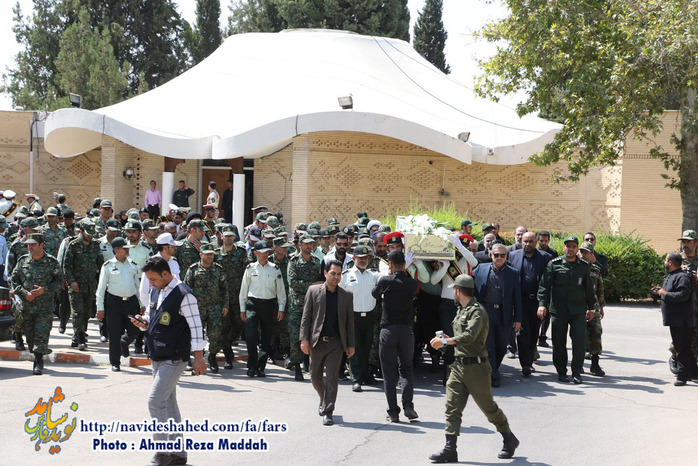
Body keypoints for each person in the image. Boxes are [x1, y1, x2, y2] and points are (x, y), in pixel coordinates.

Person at [428, 274, 519, 463]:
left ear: (458, 291)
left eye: (454, 290)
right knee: (452, 407)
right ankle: (450, 449)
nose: (453, 293)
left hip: (476, 368)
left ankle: (509, 438)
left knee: (489, 409)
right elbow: (460, 336)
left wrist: (446, 341)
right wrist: (448, 339)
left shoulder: (478, 311)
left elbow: (470, 336)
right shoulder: (461, 310)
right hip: (458, 367)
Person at [130, 256, 206, 466]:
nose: (151, 283)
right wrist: (143, 323)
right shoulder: (157, 290)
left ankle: (162, 452)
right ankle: (178, 454)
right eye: (149, 280)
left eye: (153, 279)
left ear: (165, 274)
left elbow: (196, 327)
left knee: (155, 401)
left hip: (174, 357)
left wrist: (199, 357)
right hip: (157, 354)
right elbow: (153, 318)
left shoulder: (184, 294)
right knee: (168, 404)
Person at [300, 259, 356, 426]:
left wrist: (351, 344)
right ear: (325, 273)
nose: (335, 277)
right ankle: (324, 398)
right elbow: (306, 317)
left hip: (336, 343)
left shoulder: (346, 295)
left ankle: (328, 411)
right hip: (317, 342)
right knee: (315, 376)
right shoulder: (313, 291)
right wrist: (304, 339)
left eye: (338, 274)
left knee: (332, 377)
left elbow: (349, 323)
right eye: (332, 273)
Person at [537, 235, 596, 384]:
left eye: (573, 246)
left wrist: (591, 308)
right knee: (558, 342)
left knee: (579, 341)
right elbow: (544, 286)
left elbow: (589, 289)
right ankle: (561, 371)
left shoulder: (583, 266)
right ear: (564, 248)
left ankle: (576, 372)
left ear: (577, 249)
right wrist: (542, 304)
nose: (570, 249)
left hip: (578, 310)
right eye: (568, 246)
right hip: (559, 310)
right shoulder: (554, 264)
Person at [372, 250, 419, 423]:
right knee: (406, 369)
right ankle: (408, 406)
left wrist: (387, 274)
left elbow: (374, 294)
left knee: (389, 372)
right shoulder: (412, 283)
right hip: (406, 331)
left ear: (390, 264)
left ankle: (393, 411)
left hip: (388, 330)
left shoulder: (386, 280)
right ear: (405, 264)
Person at [10, 233, 61, 375]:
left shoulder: (51, 262)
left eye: (33, 244)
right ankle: (37, 352)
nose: (30, 247)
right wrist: (24, 293)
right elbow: (14, 280)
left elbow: (59, 282)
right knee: (30, 337)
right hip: (27, 306)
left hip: (45, 307)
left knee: (41, 334)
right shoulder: (22, 261)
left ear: (41, 245)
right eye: (28, 244)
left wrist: (44, 290)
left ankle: (38, 362)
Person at [430, 234, 478, 383]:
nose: (457, 250)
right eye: (456, 247)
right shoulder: (445, 260)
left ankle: (463, 369)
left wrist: (461, 247)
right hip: (447, 304)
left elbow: (474, 262)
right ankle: (448, 368)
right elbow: (433, 281)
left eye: (461, 246)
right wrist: (444, 267)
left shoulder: (466, 259)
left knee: (463, 337)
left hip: (463, 305)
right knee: (448, 336)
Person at [472, 243, 522, 387]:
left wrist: (518, 318)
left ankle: (494, 368)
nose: (499, 258)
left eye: (502, 255)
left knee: (501, 345)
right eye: (496, 255)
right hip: (485, 312)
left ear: (506, 256)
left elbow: (517, 298)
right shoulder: (480, 269)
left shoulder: (513, 273)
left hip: (503, 314)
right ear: (490, 255)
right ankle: (493, 375)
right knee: (488, 345)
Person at [239, 241, 286, 377]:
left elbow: (281, 290)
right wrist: (242, 308)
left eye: (267, 252)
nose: (265, 255)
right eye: (262, 252)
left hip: (269, 305)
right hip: (252, 305)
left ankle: (260, 367)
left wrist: (281, 308)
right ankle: (251, 366)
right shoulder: (250, 268)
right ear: (256, 253)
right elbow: (244, 290)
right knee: (250, 336)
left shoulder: (275, 269)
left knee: (266, 337)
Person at [507, 232, 551, 377]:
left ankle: (530, 359)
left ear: (536, 242)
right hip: (520, 301)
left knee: (534, 332)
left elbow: (548, 282)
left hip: (537, 302)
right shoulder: (513, 256)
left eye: (530, 241)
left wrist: (545, 302)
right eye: (525, 241)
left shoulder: (545, 258)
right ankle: (525, 364)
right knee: (522, 333)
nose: (527, 244)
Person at [95, 237, 141, 372]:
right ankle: (115, 362)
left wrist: (142, 303)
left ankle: (124, 342)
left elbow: (138, 286)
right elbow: (101, 289)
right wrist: (100, 308)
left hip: (131, 302)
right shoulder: (108, 266)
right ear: (116, 250)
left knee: (135, 330)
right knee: (114, 334)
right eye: (125, 248)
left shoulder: (133, 265)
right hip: (114, 302)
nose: (127, 250)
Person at [340, 245, 380, 392]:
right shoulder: (345, 275)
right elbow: (339, 296)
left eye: (366, 258)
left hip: (369, 315)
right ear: (353, 258)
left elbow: (387, 276)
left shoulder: (373, 275)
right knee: (354, 348)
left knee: (367, 347)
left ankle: (365, 375)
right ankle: (356, 379)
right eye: (360, 258)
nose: (363, 261)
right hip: (352, 315)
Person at [184, 243, 229, 373]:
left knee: (215, 335)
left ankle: (212, 356)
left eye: (211, 254)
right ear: (200, 255)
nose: (210, 256)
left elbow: (224, 289)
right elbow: (186, 289)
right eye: (207, 254)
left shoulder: (218, 269)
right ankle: (198, 359)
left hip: (215, 307)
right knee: (196, 335)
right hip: (197, 308)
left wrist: (225, 305)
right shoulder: (193, 270)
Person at [655, 252, 696, 385]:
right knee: (682, 347)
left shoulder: (682, 277)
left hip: (682, 320)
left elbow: (683, 295)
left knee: (682, 348)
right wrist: (660, 292)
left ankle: (682, 376)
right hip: (675, 319)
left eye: (666, 260)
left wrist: (665, 293)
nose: (664, 262)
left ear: (671, 262)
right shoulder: (671, 275)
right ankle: (693, 372)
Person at [62, 219, 103, 351]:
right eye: (88, 234)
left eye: (92, 234)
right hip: (76, 285)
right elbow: (66, 266)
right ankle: (80, 338)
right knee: (77, 311)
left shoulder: (95, 246)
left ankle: (79, 333)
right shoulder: (73, 245)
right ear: (81, 231)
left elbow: (100, 265)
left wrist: (100, 282)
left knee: (87, 312)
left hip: (90, 285)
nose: (90, 236)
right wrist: (71, 281)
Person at [287, 233, 323, 380]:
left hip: (313, 305)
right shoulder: (293, 262)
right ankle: (297, 366)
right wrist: (312, 286)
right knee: (296, 336)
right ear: (300, 245)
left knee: (313, 335)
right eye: (306, 244)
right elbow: (293, 283)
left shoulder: (316, 261)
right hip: (297, 306)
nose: (309, 246)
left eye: (311, 244)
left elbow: (321, 281)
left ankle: (309, 364)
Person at [579, 241, 606, 376]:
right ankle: (578, 364)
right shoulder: (575, 268)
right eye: (581, 252)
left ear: (591, 254)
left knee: (596, 334)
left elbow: (600, 289)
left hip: (593, 307)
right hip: (578, 306)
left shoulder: (596, 269)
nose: (583, 255)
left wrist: (601, 306)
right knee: (579, 336)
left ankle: (595, 364)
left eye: (586, 252)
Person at [536, 230, 558, 347]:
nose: (543, 243)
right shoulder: (534, 252)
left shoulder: (553, 253)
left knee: (547, 314)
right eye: (541, 241)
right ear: (537, 241)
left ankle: (542, 337)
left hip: (549, 286)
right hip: (536, 285)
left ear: (549, 241)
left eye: (545, 241)